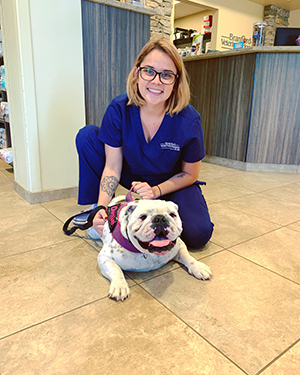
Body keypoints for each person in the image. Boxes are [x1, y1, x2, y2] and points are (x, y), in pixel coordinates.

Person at [75, 38, 214, 249]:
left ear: (176, 82)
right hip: (133, 177)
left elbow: (190, 174)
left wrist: (156, 191)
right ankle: (101, 210)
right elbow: (112, 166)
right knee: (87, 136)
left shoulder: (189, 120)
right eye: (149, 71)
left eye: (166, 75)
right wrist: (101, 207)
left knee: (197, 234)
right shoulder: (119, 108)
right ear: (136, 73)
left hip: (172, 183)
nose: (156, 81)